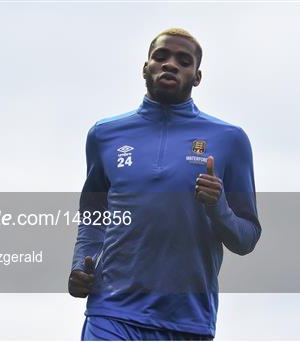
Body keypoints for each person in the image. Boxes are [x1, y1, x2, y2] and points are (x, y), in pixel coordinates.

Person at [69, 28, 261, 340]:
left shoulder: (230, 140)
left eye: (183, 61)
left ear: (197, 77)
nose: (170, 64)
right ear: (145, 67)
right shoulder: (104, 134)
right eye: (161, 57)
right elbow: (94, 213)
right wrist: (81, 265)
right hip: (111, 312)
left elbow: (247, 238)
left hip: (186, 320)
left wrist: (218, 207)